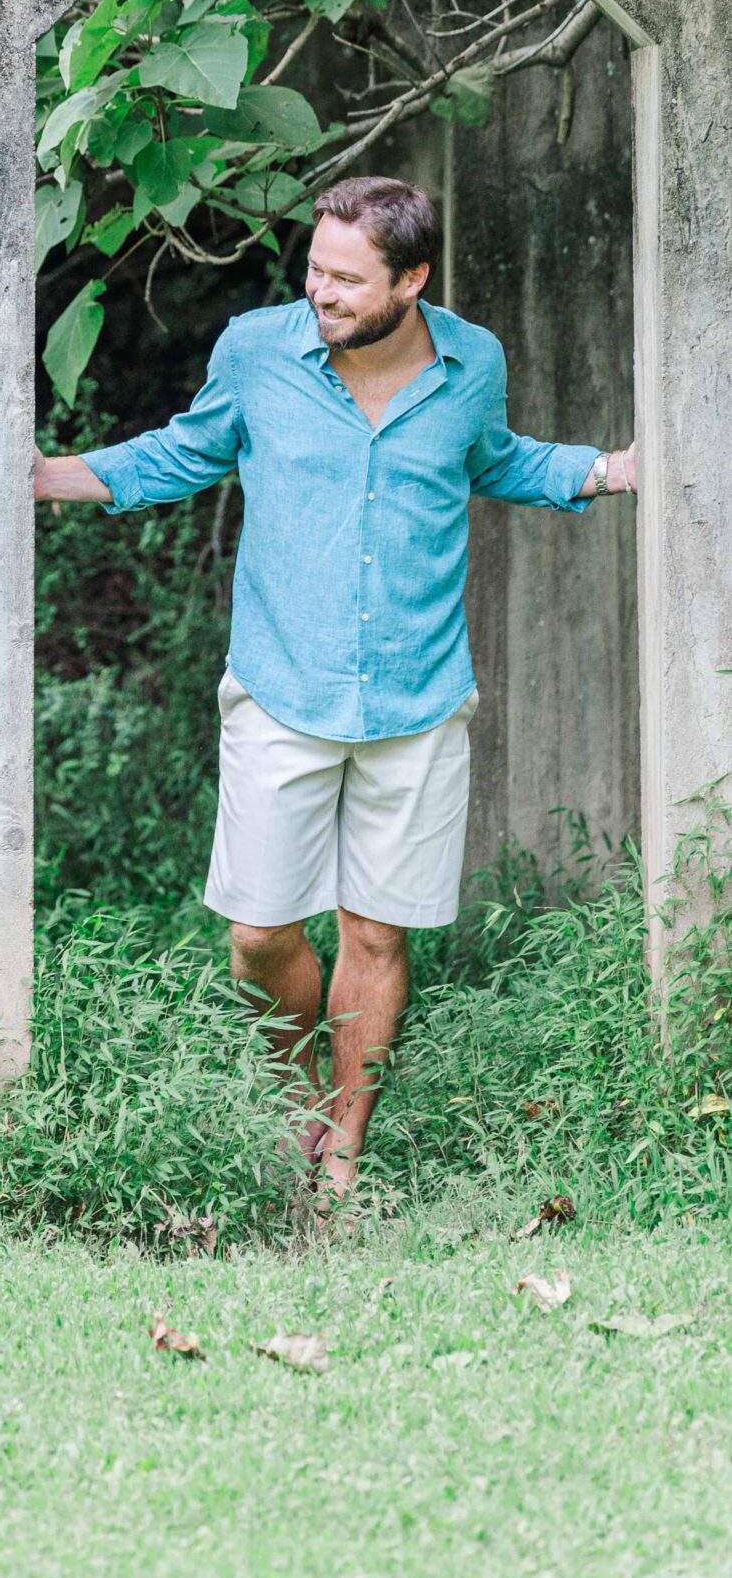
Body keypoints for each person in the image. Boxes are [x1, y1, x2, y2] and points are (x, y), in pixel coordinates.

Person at [33, 176, 635, 1201]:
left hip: (419, 691)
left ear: (413, 280)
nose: (323, 291)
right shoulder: (256, 351)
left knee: (373, 931)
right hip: (281, 684)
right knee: (260, 934)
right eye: (315, 268)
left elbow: (490, 457)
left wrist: (608, 468)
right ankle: (298, 1081)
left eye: (349, 279)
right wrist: (48, 475)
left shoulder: (472, 361)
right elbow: (190, 449)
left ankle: (344, 1137)